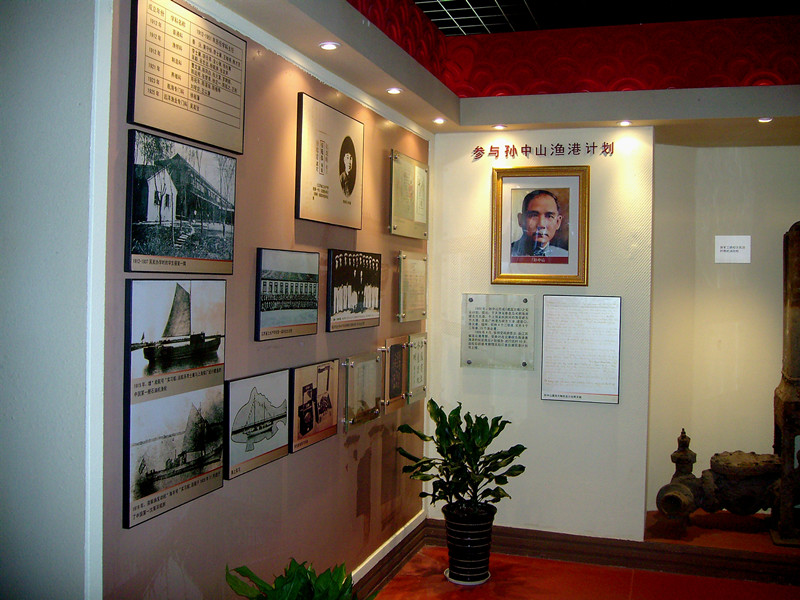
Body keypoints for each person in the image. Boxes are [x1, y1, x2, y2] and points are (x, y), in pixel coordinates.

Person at [511, 189, 568, 257]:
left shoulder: (565, 256)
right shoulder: (506, 254)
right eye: (533, 215)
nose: (541, 224)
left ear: (558, 222)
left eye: (549, 216)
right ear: (521, 220)